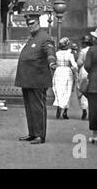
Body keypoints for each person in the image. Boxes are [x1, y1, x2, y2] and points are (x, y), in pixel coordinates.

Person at [15, 14, 57, 145]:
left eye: (31, 23)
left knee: (38, 108)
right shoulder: (33, 38)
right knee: (30, 108)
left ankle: (40, 135)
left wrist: (52, 62)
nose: (29, 26)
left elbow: (50, 51)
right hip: (28, 80)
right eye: (28, 24)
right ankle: (32, 133)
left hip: (37, 80)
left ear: (38, 23)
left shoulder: (44, 38)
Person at [52, 37, 78, 120]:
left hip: (58, 71)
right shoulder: (70, 54)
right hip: (67, 72)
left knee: (59, 90)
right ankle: (65, 111)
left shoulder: (57, 53)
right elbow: (74, 65)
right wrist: (75, 72)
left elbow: (53, 64)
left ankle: (59, 107)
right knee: (67, 91)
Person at [76, 35, 92, 120]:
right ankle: (91, 110)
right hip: (92, 71)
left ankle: (84, 109)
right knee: (91, 91)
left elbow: (79, 63)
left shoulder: (83, 51)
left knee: (82, 89)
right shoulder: (93, 50)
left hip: (84, 70)